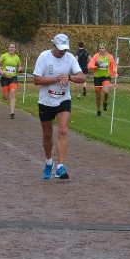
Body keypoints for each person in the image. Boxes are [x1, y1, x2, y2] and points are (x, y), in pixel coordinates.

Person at [33, 33, 86, 180]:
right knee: (47, 134)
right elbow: (36, 80)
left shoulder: (69, 58)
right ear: (54, 45)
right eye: (60, 48)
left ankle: (60, 166)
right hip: (46, 101)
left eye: (65, 49)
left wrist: (68, 77)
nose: (63, 51)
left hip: (63, 99)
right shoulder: (44, 57)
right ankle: (49, 162)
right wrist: (55, 79)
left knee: (63, 130)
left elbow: (82, 77)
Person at [87, 44, 117, 117]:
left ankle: (105, 101)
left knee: (106, 91)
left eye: (102, 48)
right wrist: (96, 64)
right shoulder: (96, 56)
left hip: (106, 76)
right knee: (98, 96)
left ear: (105, 49)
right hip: (97, 78)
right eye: (100, 48)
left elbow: (113, 66)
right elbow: (89, 65)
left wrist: (114, 72)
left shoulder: (110, 57)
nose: (101, 49)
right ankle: (98, 110)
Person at [0, 42, 23, 119]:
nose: (12, 49)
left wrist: (20, 69)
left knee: (13, 92)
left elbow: (20, 67)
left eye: (13, 47)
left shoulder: (17, 58)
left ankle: (12, 112)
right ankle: (4, 95)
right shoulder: (4, 56)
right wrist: (0, 71)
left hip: (13, 78)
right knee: (6, 97)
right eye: (10, 47)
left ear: (15, 49)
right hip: (5, 78)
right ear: (8, 48)